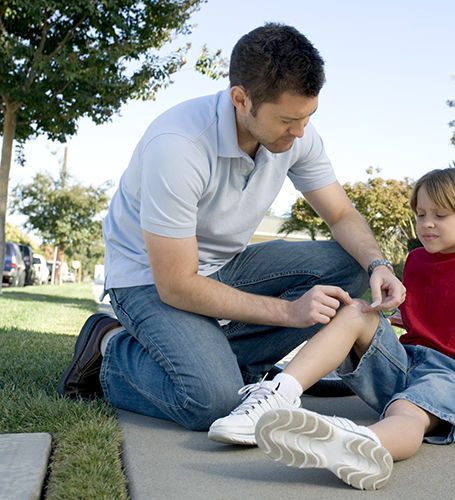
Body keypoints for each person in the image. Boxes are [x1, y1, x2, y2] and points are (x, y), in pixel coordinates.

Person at [57, 23, 404, 431]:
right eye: (288, 120)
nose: (300, 132)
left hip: (226, 265)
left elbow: (342, 215)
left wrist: (378, 264)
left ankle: (224, 362)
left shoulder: (296, 135)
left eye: (309, 117)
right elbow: (177, 285)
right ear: (241, 99)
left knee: (349, 262)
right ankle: (110, 347)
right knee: (213, 401)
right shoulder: (178, 146)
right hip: (148, 279)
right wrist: (290, 313)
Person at [207, 168, 455, 490]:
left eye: (439, 215)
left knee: (409, 412)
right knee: (356, 311)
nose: (426, 223)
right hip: (405, 364)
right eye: (420, 214)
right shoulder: (414, 261)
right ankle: (278, 394)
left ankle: (362, 444)